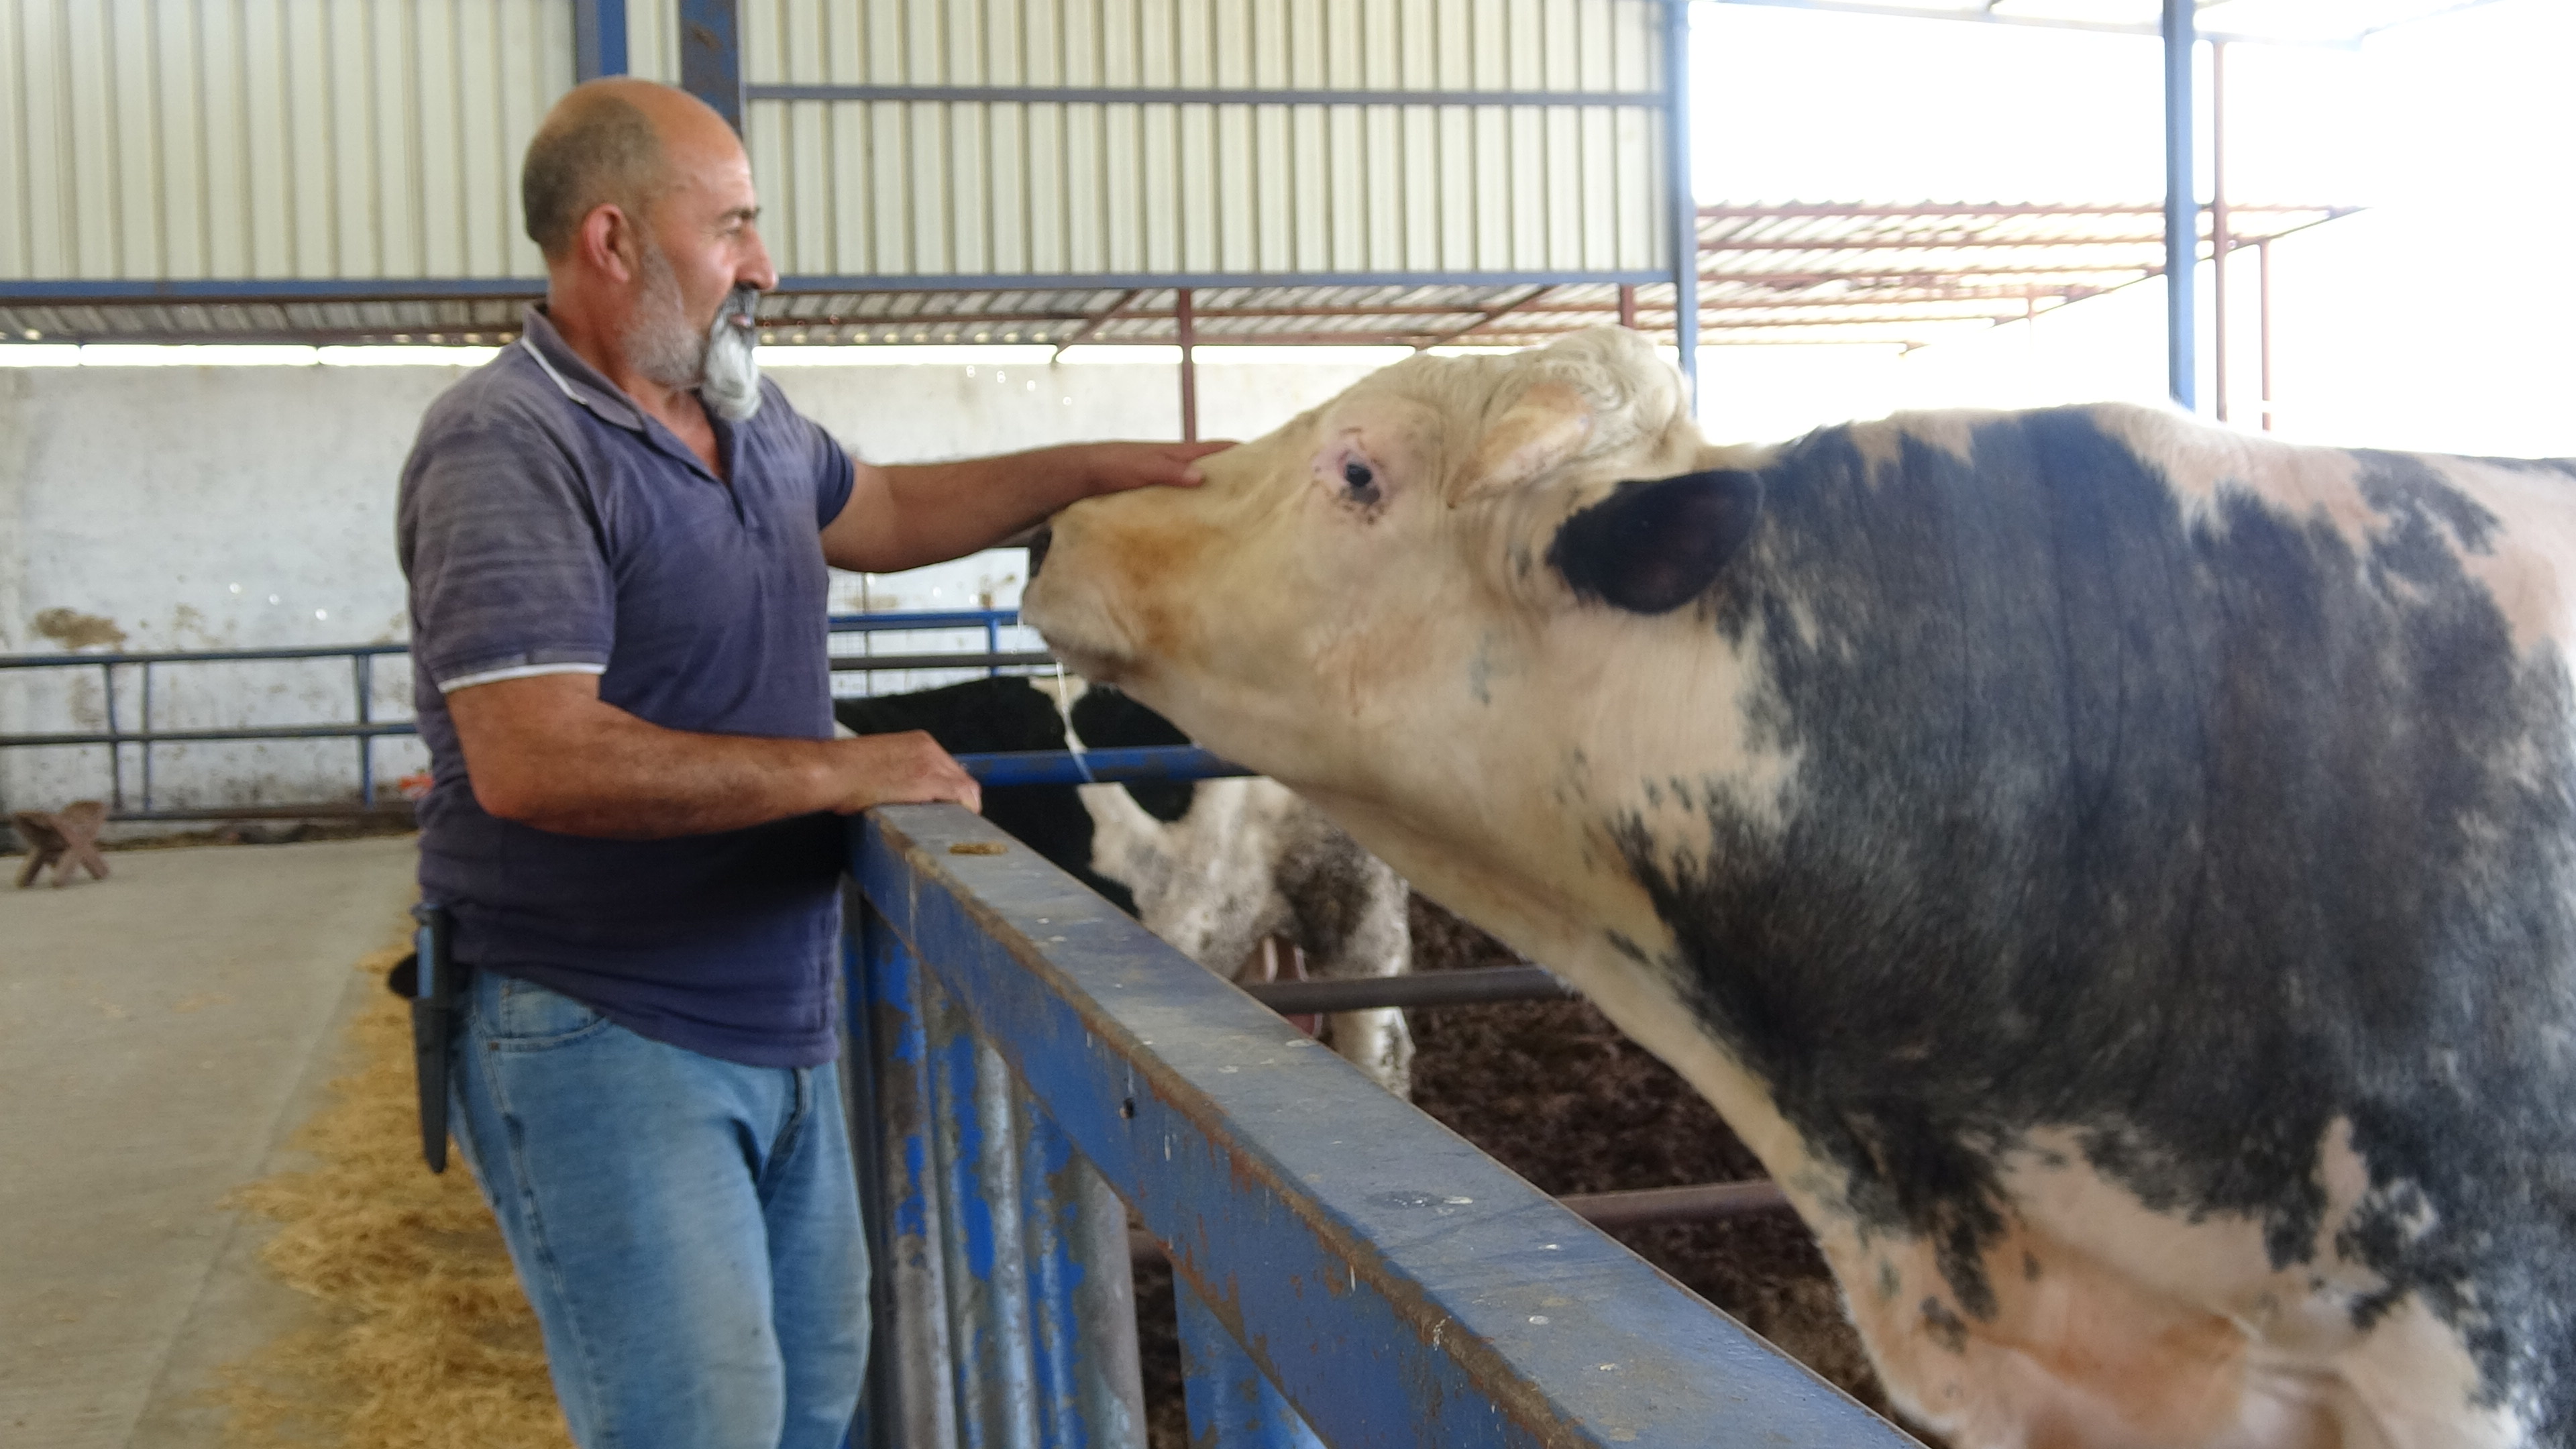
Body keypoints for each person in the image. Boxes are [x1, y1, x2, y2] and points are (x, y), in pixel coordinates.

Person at [394, 77, 1226, 1449]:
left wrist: (1092, 466)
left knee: (808, 1411)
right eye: (732, 227)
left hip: (779, 1018)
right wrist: (839, 771)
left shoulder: (749, 424)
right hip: (602, 1023)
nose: (764, 264)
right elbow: (535, 761)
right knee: (701, 1428)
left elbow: (884, 507)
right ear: (612, 242)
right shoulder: (508, 444)